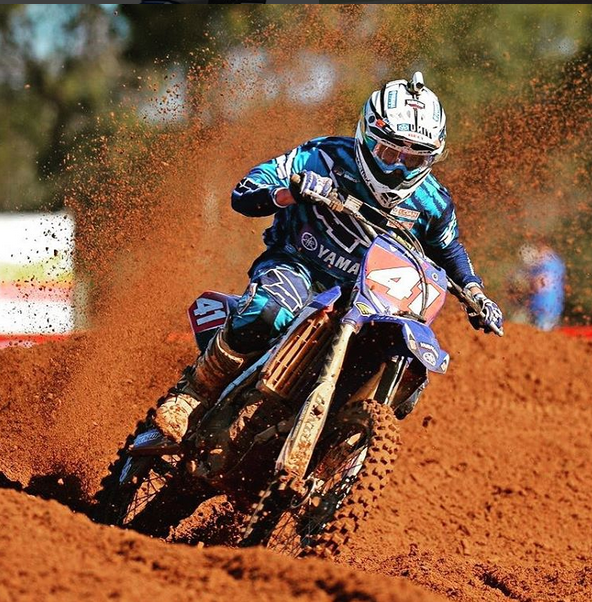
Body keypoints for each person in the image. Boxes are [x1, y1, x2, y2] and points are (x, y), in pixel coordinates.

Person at [154, 71, 504, 443]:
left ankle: (337, 448)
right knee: (268, 313)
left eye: (414, 159)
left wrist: (475, 294)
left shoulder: (432, 202)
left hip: (368, 297)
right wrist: (291, 193)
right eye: (390, 153)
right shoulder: (323, 157)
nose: (399, 168)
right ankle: (192, 395)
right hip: (298, 265)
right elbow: (246, 191)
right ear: (367, 138)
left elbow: (448, 248)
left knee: (405, 368)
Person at [509, 242, 565, 331]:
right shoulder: (557, 263)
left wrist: (525, 282)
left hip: (541, 308)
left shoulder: (541, 266)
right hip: (552, 309)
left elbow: (537, 285)